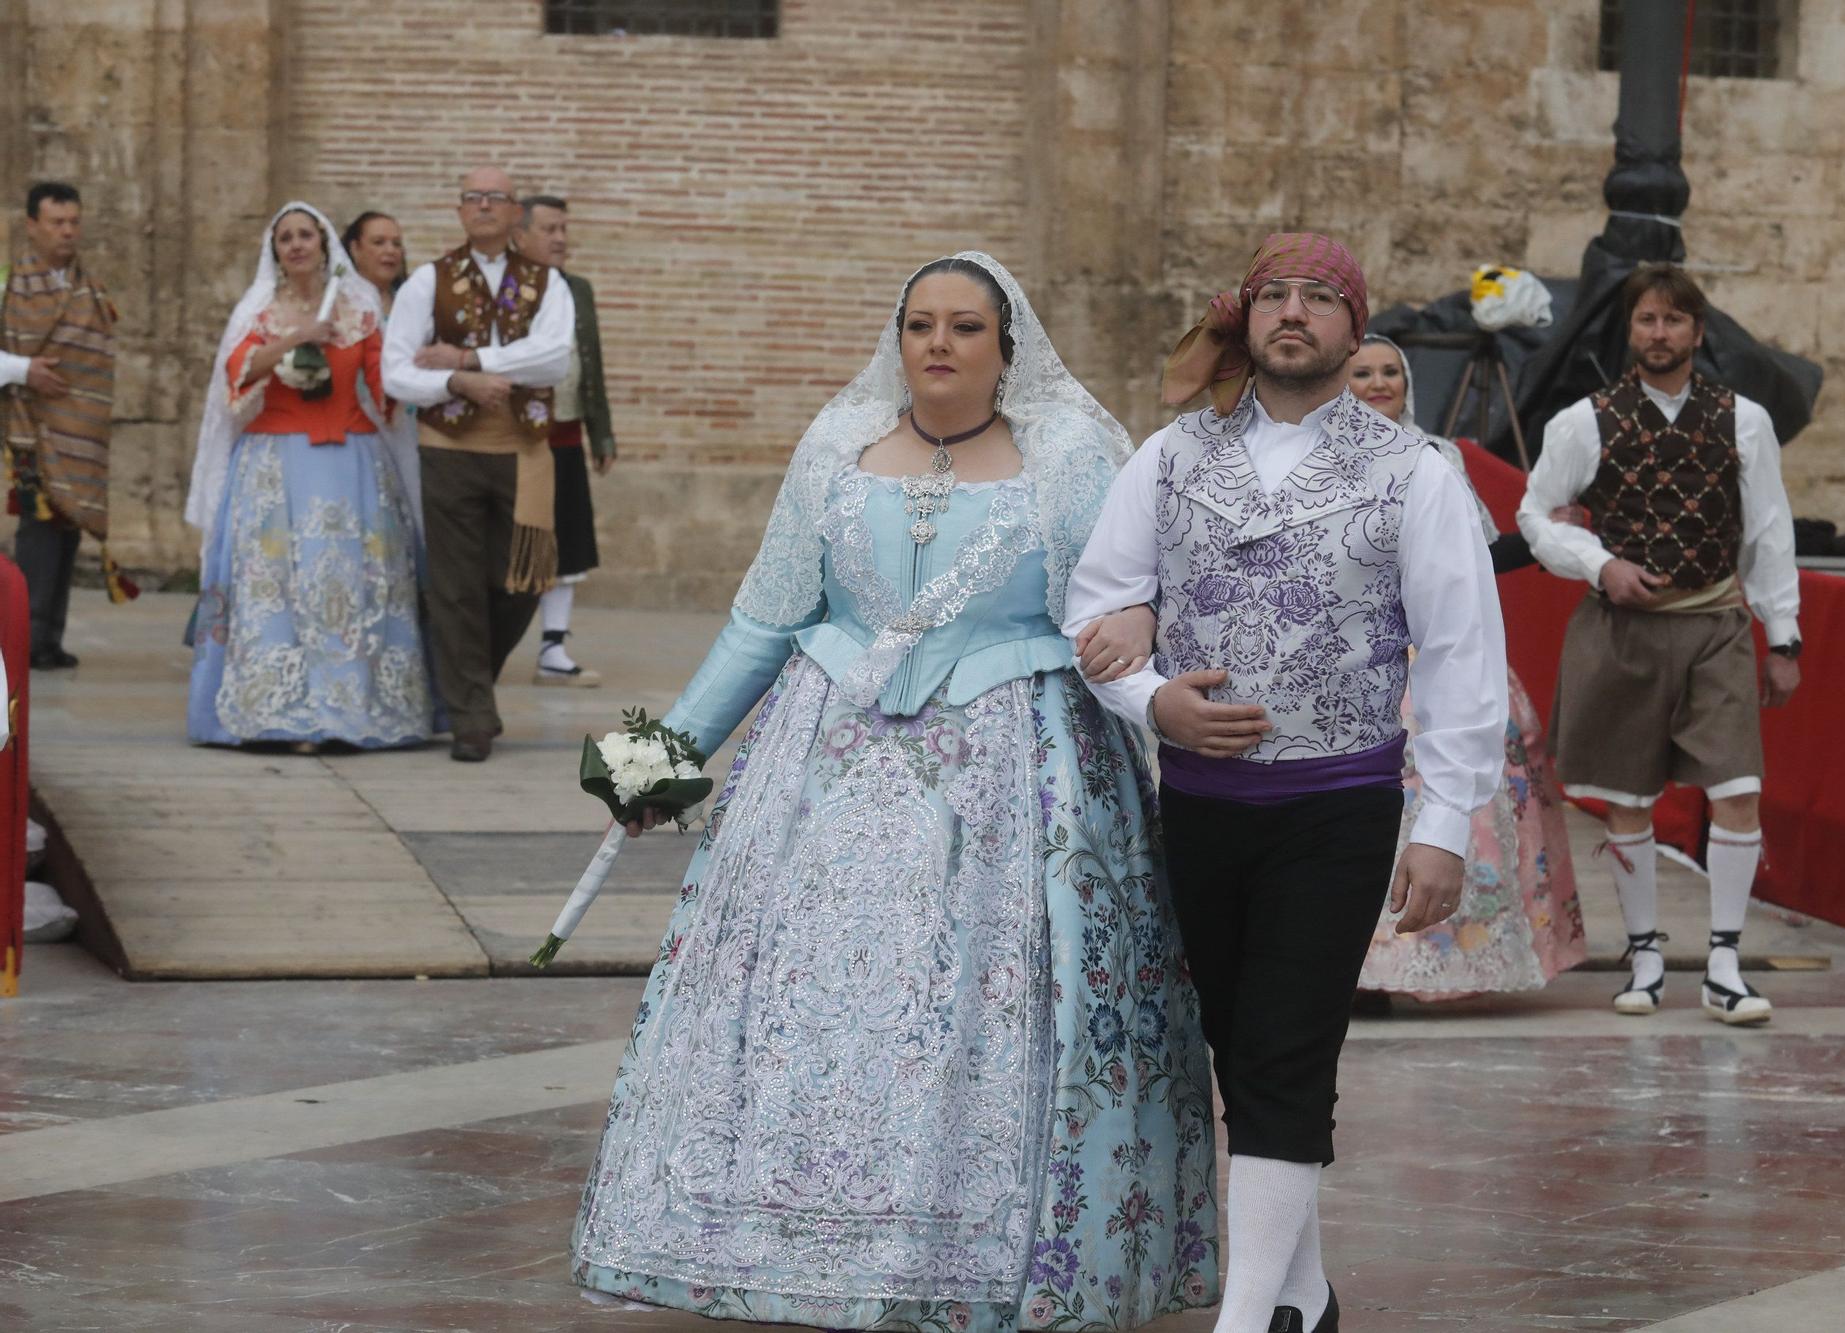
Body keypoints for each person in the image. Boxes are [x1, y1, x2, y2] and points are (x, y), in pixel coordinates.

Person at [570, 253, 1218, 1327]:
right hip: (821, 775)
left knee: (976, 998)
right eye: (920, 323)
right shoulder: (834, 449)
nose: (938, 344)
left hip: (1016, 781)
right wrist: (661, 758)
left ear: (1006, 348)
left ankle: (972, 1247)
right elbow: (765, 619)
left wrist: (1158, 695)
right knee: (805, 995)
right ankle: (760, 1230)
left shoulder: (1066, 461)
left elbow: (1116, 614)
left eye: (966, 326)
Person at [1063, 233, 1508, 1333]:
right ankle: (1302, 1296)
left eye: (1320, 298)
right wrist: (1152, 699)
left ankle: (1245, 1311)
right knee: (1237, 1041)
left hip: (1338, 803)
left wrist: (1443, 822)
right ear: (1245, 319)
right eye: (1274, 296)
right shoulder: (1168, 457)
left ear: (1356, 330)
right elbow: (1096, 604)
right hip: (1201, 809)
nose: (1294, 313)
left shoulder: (1413, 472)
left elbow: (1459, 649)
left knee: (1286, 1042)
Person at [1519, 261, 1801, 1026]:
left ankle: (1724, 962)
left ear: (1696, 332)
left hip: (1714, 624)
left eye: (1674, 320)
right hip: (1623, 631)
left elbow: (1770, 532)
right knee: (1628, 799)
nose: (1659, 332)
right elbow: (1535, 513)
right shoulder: (1584, 421)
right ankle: (1645, 953)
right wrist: (1599, 563)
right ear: (1631, 331)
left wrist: (1785, 637)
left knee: (1738, 788)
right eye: (1647, 319)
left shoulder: (1744, 420)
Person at [1346, 335, 1586, 999]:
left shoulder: (1435, 456)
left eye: (1390, 371)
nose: (1378, 383)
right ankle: (1361, 970)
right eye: (1361, 371)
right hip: (1361, 659)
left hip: (1435, 654)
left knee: (1464, 797)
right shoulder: (1319, 459)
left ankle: (1449, 959)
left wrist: (1544, 539)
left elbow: (1474, 554)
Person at [183, 202, 434, 752]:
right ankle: (281, 709)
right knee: (277, 588)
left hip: (354, 464)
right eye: (285, 238)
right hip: (275, 466)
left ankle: (351, 708)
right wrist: (296, 338)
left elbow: (383, 386)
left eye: (306, 236)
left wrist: (418, 371)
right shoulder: (259, 311)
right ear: (274, 252)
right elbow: (236, 373)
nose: (296, 245)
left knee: (353, 586)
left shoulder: (358, 308)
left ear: (325, 246)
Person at [382, 168, 575, 762]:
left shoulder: (548, 283)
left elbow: (554, 359)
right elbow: (397, 370)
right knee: (455, 585)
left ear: (516, 213)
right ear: (460, 211)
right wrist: (456, 380)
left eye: (497, 197)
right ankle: (471, 715)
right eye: (474, 197)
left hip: (522, 451)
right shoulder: (426, 281)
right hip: (450, 452)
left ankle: (464, 688)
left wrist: (472, 355)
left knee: (521, 582)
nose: (485, 206)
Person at [1, 182, 130, 670]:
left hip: (80, 432)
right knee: (39, 530)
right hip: (30, 430)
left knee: (68, 531)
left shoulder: (90, 289)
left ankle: (51, 637)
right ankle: (27, 637)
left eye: (74, 222)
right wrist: (23, 370)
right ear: (32, 225)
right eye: (57, 222)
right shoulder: (6, 285)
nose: (68, 231)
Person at [512, 194, 613, 688]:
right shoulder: (507, 289)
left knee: (569, 540)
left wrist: (602, 432)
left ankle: (553, 646)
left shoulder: (579, 289)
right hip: (514, 437)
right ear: (520, 234)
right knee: (517, 541)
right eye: (549, 228)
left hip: (567, 433)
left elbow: (590, 364)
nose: (560, 239)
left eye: (563, 229)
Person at [341, 210, 424, 539]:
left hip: (410, 425)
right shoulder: (339, 304)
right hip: (360, 428)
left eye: (396, 243)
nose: (390, 250)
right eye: (379, 242)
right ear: (355, 249)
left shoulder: (413, 303)